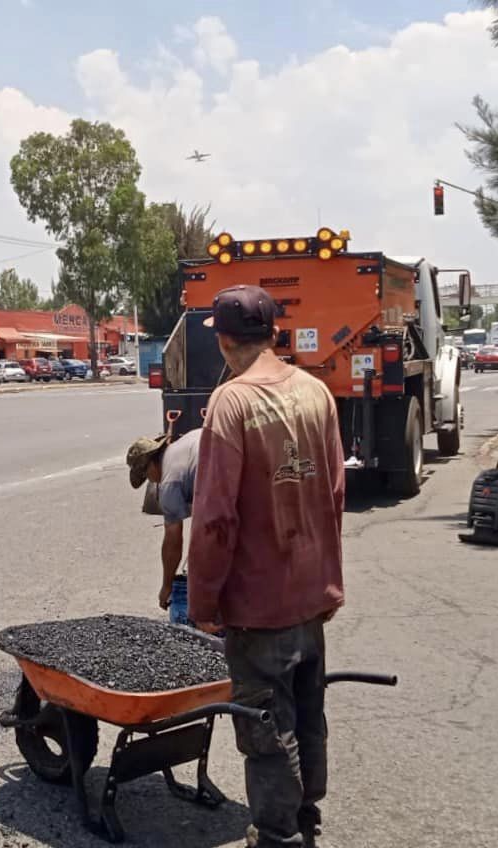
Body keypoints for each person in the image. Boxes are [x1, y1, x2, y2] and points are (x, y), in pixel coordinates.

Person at [187, 286, 345, 848]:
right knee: (308, 711)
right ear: (275, 333)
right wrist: (328, 576)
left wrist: (203, 601)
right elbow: (333, 494)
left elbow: (213, 520)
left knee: (266, 728)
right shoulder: (317, 393)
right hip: (311, 592)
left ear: (225, 341)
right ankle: (308, 815)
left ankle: (277, 835)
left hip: (259, 605)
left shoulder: (231, 403)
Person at [126, 426, 201, 625]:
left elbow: (173, 541)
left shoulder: (169, 482)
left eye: (146, 477)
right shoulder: (184, 443)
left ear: (150, 466)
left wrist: (166, 586)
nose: (151, 481)